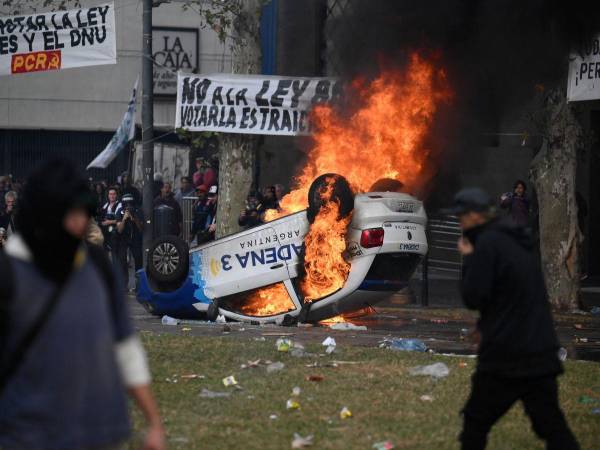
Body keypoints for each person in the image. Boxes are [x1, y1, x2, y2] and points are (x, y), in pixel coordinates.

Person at [0, 159, 165, 450]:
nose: (78, 223)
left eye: (83, 213)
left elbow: (124, 346)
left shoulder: (97, 266)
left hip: (98, 431)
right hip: (26, 433)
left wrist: (153, 421)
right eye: (69, 213)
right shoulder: (9, 273)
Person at [443, 187, 579, 450]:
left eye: (461, 216)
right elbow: (508, 296)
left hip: (506, 354)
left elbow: (474, 296)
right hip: (540, 350)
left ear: (475, 216)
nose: (459, 222)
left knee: (475, 421)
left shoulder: (486, 246)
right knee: (551, 425)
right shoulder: (515, 240)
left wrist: (469, 257)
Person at [116, 194, 144, 290]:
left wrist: (134, 218)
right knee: (122, 260)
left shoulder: (138, 210)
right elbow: (119, 230)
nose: (128, 206)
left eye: (130, 204)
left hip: (135, 238)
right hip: (123, 239)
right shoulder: (120, 211)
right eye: (126, 204)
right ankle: (124, 285)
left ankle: (139, 285)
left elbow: (141, 228)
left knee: (138, 260)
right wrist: (124, 219)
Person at [100, 187, 122, 262]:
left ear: (116, 195)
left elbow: (121, 220)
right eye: (110, 194)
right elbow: (101, 218)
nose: (112, 196)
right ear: (108, 195)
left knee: (114, 253)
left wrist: (109, 222)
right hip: (106, 232)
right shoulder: (105, 205)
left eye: (114, 194)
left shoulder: (120, 205)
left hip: (116, 232)